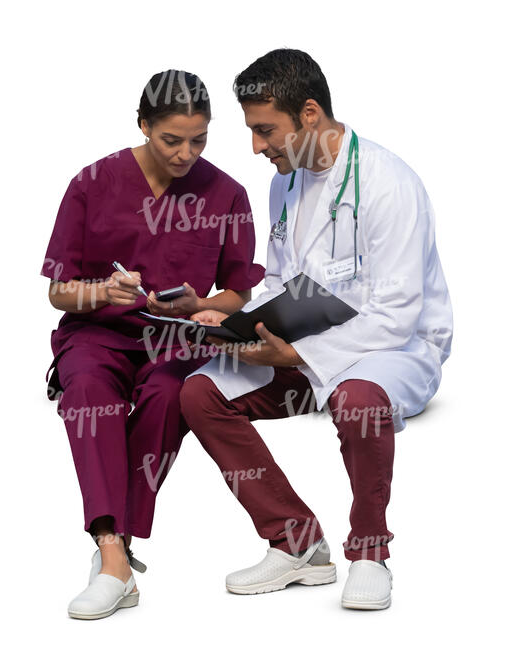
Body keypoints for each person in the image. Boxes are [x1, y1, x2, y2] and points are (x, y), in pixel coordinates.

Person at [179, 49, 453, 610]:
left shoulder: (389, 182)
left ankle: (371, 553)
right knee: (199, 392)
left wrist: (294, 359)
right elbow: (282, 281)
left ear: (309, 114)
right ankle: (296, 542)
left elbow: (398, 313)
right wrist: (234, 323)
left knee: (356, 401)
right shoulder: (285, 183)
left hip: (393, 349)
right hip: (301, 344)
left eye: (265, 130)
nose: (256, 147)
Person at [40, 69, 265, 620]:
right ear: (143, 125)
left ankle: (116, 552)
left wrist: (198, 307)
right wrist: (99, 290)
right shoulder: (92, 182)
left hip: (174, 340)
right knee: (89, 393)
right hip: (98, 334)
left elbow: (239, 290)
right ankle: (113, 554)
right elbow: (57, 291)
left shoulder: (228, 194)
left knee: (169, 399)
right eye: (171, 140)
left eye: (200, 140)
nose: (186, 153)